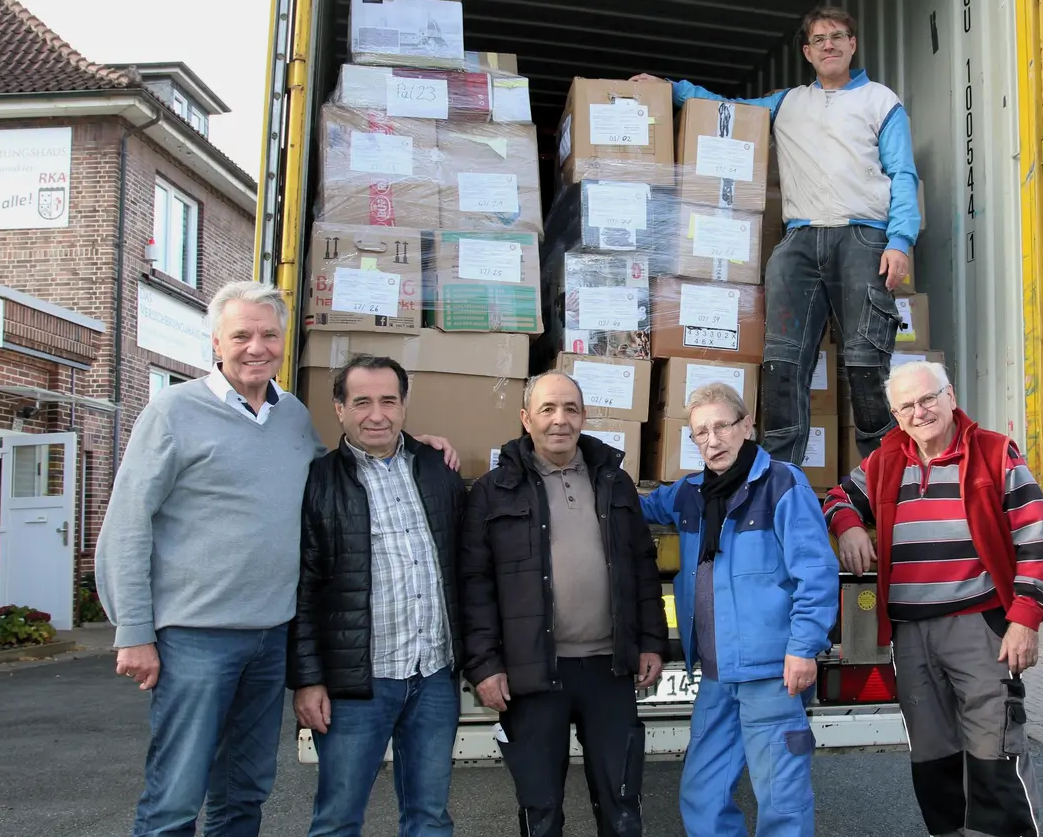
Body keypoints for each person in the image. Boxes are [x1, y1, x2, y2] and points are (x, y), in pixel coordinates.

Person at [95, 280, 458, 837]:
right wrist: (133, 631)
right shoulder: (173, 412)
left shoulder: (290, 415)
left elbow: (343, 475)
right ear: (216, 341)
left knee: (244, 791)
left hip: (270, 637)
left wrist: (417, 445)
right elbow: (125, 525)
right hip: (196, 636)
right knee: (175, 796)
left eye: (268, 335)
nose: (256, 347)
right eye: (242, 335)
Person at [631, 3, 921, 465]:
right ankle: (781, 475)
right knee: (783, 363)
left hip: (862, 237)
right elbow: (729, 110)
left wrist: (900, 241)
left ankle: (882, 472)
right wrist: (673, 89)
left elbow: (903, 173)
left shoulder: (880, 101)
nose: (829, 45)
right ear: (808, 52)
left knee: (866, 362)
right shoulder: (787, 102)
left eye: (837, 37)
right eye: (819, 40)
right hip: (799, 240)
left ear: (852, 44)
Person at [823, 360, 1043, 837]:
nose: (920, 412)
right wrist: (848, 526)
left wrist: (1025, 618)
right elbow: (836, 497)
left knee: (995, 754)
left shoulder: (994, 453)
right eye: (906, 406)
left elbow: (1039, 535)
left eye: (928, 398)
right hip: (911, 635)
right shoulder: (885, 461)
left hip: (979, 628)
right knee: (934, 762)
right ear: (895, 415)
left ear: (950, 396)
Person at [458, 371, 669, 837]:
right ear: (525, 419)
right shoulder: (493, 491)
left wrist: (652, 642)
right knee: (542, 811)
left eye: (571, 409)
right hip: (532, 673)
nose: (560, 420)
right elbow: (475, 585)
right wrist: (484, 665)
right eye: (547, 409)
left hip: (609, 670)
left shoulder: (614, 481)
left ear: (584, 417)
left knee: (621, 806)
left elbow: (641, 565)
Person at [637, 383, 838, 837]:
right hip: (717, 675)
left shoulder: (782, 484)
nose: (712, 440)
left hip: (772, 673)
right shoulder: (690, 494)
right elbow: (636, 506)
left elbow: (816, 574)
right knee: (702, 794)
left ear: (747, 426)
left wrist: (803, 648)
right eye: (700, 432)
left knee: (781, 801)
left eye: (722, 426)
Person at [290, 354, 467, 837]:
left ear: (404, 405)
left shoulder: (438, 469)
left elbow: (468, 566)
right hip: (356, 683)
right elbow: (304, 590)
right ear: (339, 409)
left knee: (430, 817)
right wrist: (308, 680)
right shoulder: (318, 482)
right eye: (361, 402)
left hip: (433, 674)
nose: (377, 415)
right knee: (338, 819)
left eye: (388, 401)